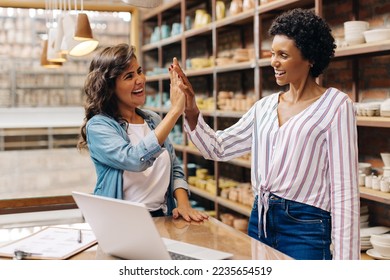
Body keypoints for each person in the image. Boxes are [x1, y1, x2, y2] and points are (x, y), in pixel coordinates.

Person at [172, 8, 360, 259]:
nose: (274, 61)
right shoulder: (264, 107)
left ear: (310, 58)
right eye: (272, 54)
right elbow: (218, 147)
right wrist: (192, 109)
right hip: (259, 219)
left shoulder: (336, 106)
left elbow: (344, 193)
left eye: (283, 55)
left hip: (306, 228)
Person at [77, 43, 208, 222]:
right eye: (129, 76)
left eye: (139, 71)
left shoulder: (153, 119)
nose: (140, 79)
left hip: (161, 217)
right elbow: (134, 159)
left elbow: (174, 166)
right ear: (109, 87)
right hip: (118, 222)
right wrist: (175, 111)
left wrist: (183, 203)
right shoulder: (99, 126)